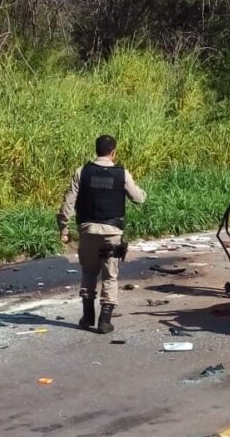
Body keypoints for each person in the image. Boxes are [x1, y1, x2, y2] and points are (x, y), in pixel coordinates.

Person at [57, 135, 146, 334]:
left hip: (88, 231)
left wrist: (64, 229)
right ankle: (104, 320)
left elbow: (67, 205)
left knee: (89, 272)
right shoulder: (121, 173)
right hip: (111, 232)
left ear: (96, 150)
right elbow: (138, 198)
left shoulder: (82, 172)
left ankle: (87, 316)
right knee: (110, 275)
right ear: (113, 152)